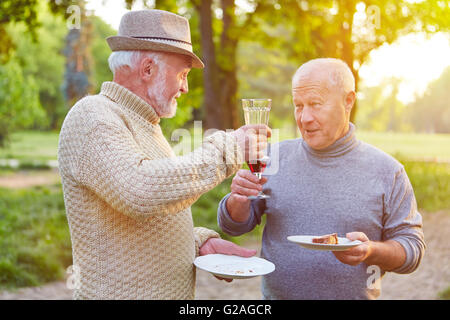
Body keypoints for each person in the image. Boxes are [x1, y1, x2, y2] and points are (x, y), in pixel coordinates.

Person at [58, 9, 270, 300]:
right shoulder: (93, 116)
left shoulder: (146, 124)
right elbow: (140, 191)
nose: (184, 87)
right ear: (147, 69)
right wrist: (229, 148)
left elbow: (148, 216)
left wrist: (197, 244)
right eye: (182, 74)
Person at [217, 58, 425, 299]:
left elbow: (412, 249)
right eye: (298, 105)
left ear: (348, 101)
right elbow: (233, 225)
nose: (304, 118)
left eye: (315, 104)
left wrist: (371, 250)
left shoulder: (388, 171)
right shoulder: (271, 158)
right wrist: (238, 200)